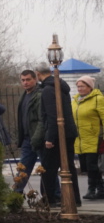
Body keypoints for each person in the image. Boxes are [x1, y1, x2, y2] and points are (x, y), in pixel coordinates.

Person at [37, 66, 76, 207]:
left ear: (38, 74)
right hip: (69, 132)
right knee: (69, 166)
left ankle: (49, 200)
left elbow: (52, 116)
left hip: (57, 133)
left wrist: (49, 138)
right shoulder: (62, 87)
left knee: (48, 168)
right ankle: (74, 199)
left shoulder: (48, 90)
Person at [14, 69, 42, 195]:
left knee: (45, 169)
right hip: (27, 138)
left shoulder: (40, 94)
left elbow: (41, 118)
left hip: (39, 137)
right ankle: (17, 192)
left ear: (35, 79)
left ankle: (54, 195)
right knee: (23, 166)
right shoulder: (24, 95)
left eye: (28, 79)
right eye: (23, 80)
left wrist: (38, 136)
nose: (25, 83)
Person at [75, 76, 103, 200]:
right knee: (86, 166)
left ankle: (91, 189)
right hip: (80, 139)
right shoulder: (75, 101)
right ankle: (101, 188)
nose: (80, 89)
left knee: (92, 165)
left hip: (94, 137)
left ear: (90, 87)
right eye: (78, 86)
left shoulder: (98, 99)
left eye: (82, 86)